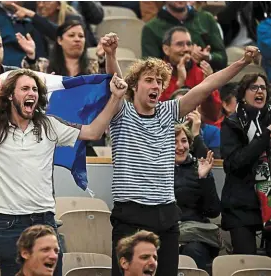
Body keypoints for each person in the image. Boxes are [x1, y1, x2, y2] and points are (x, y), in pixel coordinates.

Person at [0, 34, 125, 275]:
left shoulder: (49, 125)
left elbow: (94, 131)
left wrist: (116, 98)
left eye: (35, 89)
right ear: (11, 95)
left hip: (46, 223)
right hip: (9, 225)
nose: (31, 93)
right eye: (25, 88)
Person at [109, 46, 260, 276]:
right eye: (149, 80)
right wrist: (111, 55)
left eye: (159, 81)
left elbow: (208, 86)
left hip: (167, 215)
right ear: (134, 86)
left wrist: (242, 62)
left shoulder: (169, 111)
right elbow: (115, 82)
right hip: (131, 214)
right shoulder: (121, 112)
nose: (155, 85)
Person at [220, 73, 271, 255]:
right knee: (246, 261)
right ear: (243, 94)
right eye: (254, 88)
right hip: (240, 205)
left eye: (263, 88)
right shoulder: (232, 124)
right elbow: (235, 163)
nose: (259, 91)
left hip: (269, 202)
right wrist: (265, 137)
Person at [174, 124, 221, 271]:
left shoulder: (199, 167)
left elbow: (214, 211)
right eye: (174, 142)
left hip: (196, 234)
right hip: (168, 232)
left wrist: (204, 178)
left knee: (192, 252)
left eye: (184, 141)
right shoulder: (157, 170)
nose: (181, 146)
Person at [160, 26, 222, 128]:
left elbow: (214, 115)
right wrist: (180, 83)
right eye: (180, 44)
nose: (186, 49)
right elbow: (159, 114)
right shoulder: (157, 73)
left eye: (189, 44)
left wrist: (210, 87)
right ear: (166, 49)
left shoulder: (201, 72)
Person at [142, 1, 227, 72]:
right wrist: (181, 57)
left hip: (205, 82)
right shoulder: (151, 28)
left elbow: (223, 59)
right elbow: (151, 69)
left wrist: (208, 57)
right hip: (170, 86)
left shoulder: (206, 18)